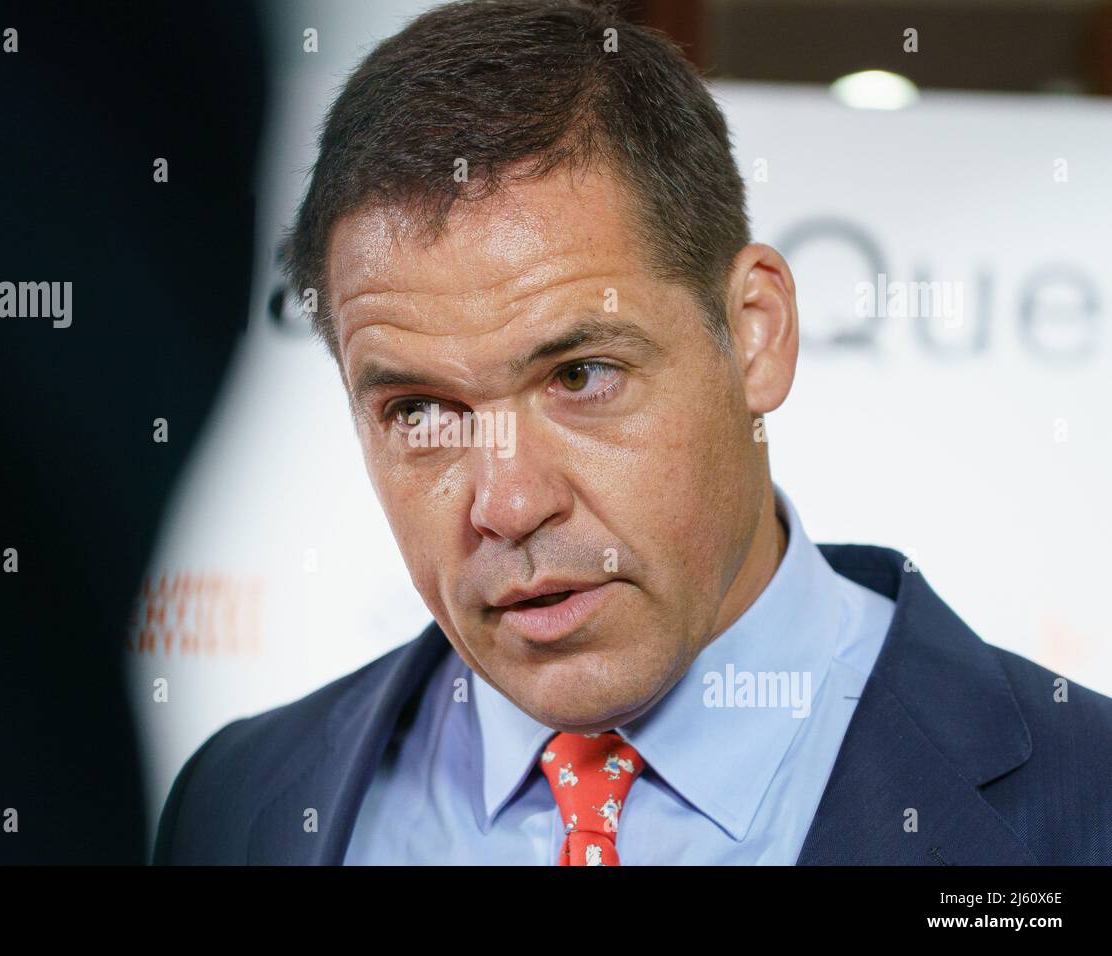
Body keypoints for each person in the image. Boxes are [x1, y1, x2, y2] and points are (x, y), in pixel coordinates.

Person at [154, 0, 1112, 865]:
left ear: (755, 334)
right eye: (422, 412)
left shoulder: (1088, 805)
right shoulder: (238, 806)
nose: (510, 503)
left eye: (580, 375)